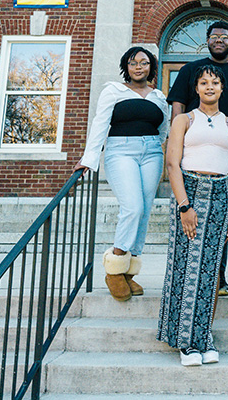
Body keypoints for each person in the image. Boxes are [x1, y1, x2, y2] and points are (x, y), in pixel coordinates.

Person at [157, 63, 228, 366]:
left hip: (221, 195)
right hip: (190, 190)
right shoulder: (184, 119)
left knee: (210, 269)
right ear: (196, 88)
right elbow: (172, 164)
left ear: (222, 88)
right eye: (204, 82)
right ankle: (185, 341)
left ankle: (204, 336)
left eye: (215, 82)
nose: (210, 87)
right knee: (185, 267)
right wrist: (184, 206)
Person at [167, 20, 228, 295]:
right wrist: (176, 140)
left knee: (221, 220)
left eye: (225, 36)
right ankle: (184, 282)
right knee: (190, 223)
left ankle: (218, 276)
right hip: (194, 153)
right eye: (214, 36)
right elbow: (178, 106)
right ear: (207, 40)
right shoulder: (190, 70)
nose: (219, 40)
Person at [77, 47, 170, 301]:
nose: (139, 67)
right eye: (133, 63)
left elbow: (163, 128)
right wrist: (89, 159)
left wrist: (159, 149)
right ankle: (114, 269)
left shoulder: (159, 96)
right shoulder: (113, 91)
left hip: (151, 153)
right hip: (121, 152)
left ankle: (129, 273)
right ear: (125, 66)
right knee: (132, 207)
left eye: (144, 62)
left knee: (145, 210)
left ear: (151, 67)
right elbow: (100, 124)